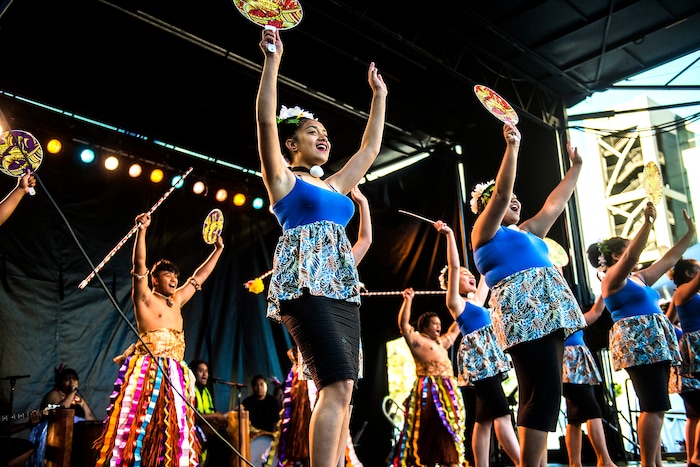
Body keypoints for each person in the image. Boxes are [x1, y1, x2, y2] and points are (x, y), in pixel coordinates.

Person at [255, 22, 387, 467]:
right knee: (333, 385)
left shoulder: (336, 186)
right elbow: (264, 121)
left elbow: (369, 150)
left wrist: (379, 96)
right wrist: (273, 61)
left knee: (344, 388)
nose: (323, 136)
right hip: (306, 287)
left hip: (342, 290)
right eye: (313, 131)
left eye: (325, 131)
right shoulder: (283, 181)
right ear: (291, 142)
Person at [470, 123, 587, 467]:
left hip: (548, 310)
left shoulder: (528, 232)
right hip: (524, 310)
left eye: (518, 198)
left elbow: (555, 203)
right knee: (541, 391)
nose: (514, 199)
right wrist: (512, 146)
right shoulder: (484, 232)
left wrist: (576, 167)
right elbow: (503, 193)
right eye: (506, 198)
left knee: (548, 392)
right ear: (486, 206)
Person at [94, 212, 224, 466]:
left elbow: (199, 276)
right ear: (155, 279)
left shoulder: (177, 301)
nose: (174, 279)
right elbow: (139, 265)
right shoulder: (144, 298)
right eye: (168, 275)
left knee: (175, 431)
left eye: (176, 276)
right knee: (137, 427)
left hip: (176, 371)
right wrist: (142, 230)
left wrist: (218, 250)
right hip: (148, 369)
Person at [586, 202, 695, 467]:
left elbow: (668, 260)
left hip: (653, 340)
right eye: (629, 246)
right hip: (639, 340)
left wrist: (690, 233)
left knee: (656, 403)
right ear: (616, 256)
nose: (635, 249)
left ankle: (654, 462)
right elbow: (632, 257)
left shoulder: (638, 278)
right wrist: (646, 223)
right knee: (653, 403)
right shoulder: (612, 278)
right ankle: (649, 464)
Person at [434, 220, 520, 467]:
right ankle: (523, 462)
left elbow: (484, 272)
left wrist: (490, 237)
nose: (468, 274)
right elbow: (453, 264)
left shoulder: (477, 302)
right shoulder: (456, 304)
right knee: (502, 413)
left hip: (490, 359)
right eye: (462, 275)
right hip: (480, 361)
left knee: (483, 420)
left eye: (468, 272)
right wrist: (449, 235)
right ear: (451, 282)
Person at [388, 288, 465, 467]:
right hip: (428, 391)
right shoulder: (417, 340)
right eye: (435, 324)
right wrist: (408, 300)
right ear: (424, 326)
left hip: (448, 389)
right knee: (427, 431)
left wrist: (462, 303)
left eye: (439, 324)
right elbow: (404, 325)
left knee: (449, 430)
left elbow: (455, 329)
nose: (439, 327)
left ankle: (449, 459)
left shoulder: (441, 343)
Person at [561, 297, 617, 467]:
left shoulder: (576, 319)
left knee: (574, 416)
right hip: (568, 363)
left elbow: (596, 312)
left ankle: (575, 463)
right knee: (592, 410)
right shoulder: (557, 318)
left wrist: (604, 293)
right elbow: (595, 313)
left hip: (576, 364)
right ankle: (604, 460)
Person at [190, 359, 229, 466]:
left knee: (227, 440)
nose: (204, 374)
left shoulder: (207, 391)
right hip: (196, 428)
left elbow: (211, 412)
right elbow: (195, 416)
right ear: (194, 373)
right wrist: (216, 416)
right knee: (218, 443)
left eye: (206, 371)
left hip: (209, 427)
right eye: (200, 371)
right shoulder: (191, 390)